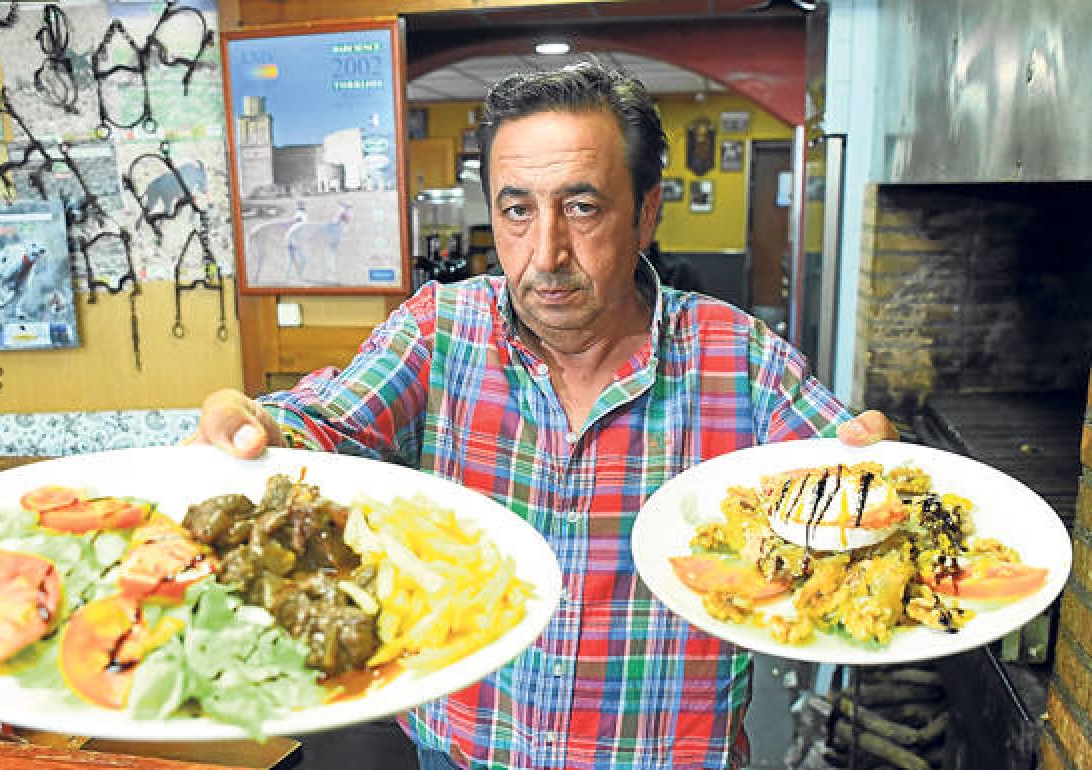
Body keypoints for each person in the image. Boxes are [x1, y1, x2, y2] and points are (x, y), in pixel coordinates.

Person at [189, 61, 896, 770]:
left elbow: (853, 477)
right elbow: (328, 420)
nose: (546, 253)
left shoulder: (736, 356)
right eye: (517, 209)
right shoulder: (442, 329)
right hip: (461, 753)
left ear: (646, 213)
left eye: (582, 207)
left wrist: (883, 471)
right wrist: (260, 428)